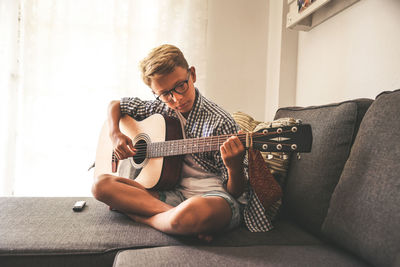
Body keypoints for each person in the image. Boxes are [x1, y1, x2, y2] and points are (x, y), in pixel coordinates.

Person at [92, 44, 273, 241]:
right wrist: (115, 134)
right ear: (156, 93)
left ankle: (144, 218)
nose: (176, 98)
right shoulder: (161, 109)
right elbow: (116, 105)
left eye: (180, 86)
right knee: (100, 185)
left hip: (214, 200)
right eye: (165, 94)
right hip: (172, 195)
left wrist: (234, 166)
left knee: (193, 211)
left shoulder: (221, 121)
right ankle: (175, 219)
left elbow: (236, 192)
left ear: (192, 75)